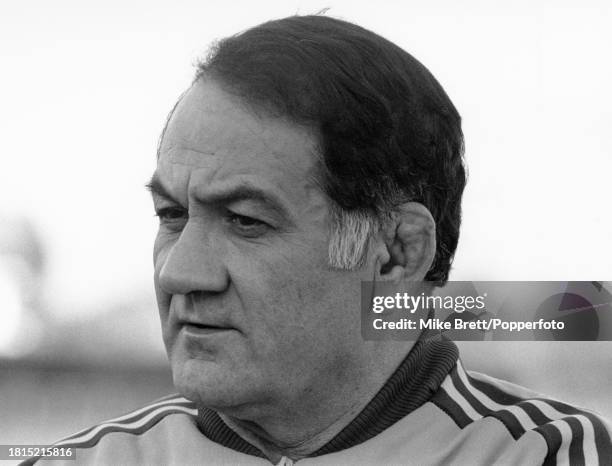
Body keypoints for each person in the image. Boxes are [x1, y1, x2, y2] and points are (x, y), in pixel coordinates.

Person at [24, 14, 610, 465]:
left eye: (245, 221)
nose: (179, 273)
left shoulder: (544, 454)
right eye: (171, 214)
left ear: (397, 254)